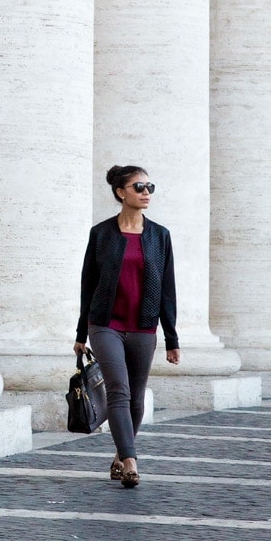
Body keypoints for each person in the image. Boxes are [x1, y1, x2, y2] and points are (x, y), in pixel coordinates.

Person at [74, 165, 180, 488]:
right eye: (139, 186)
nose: (146, 192)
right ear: (121, 192)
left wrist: (172, 337)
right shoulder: (102, 234)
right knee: (118, 390)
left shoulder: (159, 236)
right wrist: (81, 334)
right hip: (105, 324)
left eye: (150, 186)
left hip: (143, 327)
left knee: (136, 399)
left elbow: (167, 289)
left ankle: (120, 455)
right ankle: (131, 460)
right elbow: (87, 285)